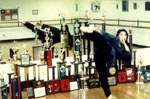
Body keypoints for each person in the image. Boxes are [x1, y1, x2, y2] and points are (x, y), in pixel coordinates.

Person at [80, 27, 131, 99]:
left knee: (103, 76)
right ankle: (88, 32)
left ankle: (108, 95)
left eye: (125, 35)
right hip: (102, 52)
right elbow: (108, 36)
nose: (123, 36)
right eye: (121, 34)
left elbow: (128, 54)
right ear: (118, 35)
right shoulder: (115, 39)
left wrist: (124, 43)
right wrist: (99, 31)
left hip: (106, 56)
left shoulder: (123, 47)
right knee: (102, 40)